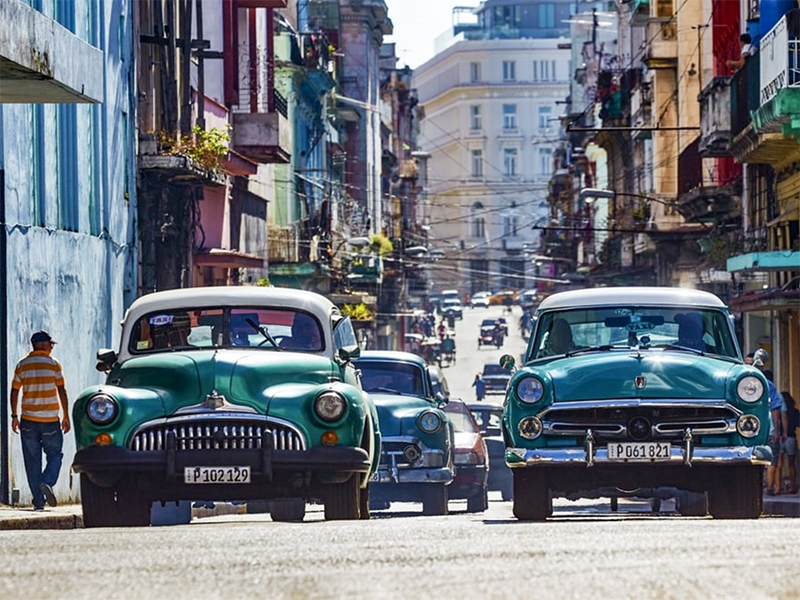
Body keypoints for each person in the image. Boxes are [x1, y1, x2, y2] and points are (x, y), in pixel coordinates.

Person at [9, 331, 70, 510]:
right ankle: (48, 481)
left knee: (32, 461)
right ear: (43, 345)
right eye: (50, 344)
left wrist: (14, 416)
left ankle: (39, 501)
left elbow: (14, 391)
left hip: (28, 420)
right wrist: (66, 415)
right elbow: (62, 390)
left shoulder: (22, 365)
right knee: (55, 454)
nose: (51, 348)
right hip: (50, 420)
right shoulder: (54, 365)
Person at [763, 369, 785, 495]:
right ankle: (770, 488)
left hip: (757, 430)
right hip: (769, 431)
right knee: (772, 461)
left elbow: (775, 409)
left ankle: (769, 486)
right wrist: (777, 430)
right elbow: (776, 409)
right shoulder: (769, 385)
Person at [779, 391, 798, 494]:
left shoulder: (778, 411)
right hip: (791, 437)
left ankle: (778, 486)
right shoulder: (795, 412)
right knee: (792, 464)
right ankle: (792, 486)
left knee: (779, 464)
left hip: (781, 437)